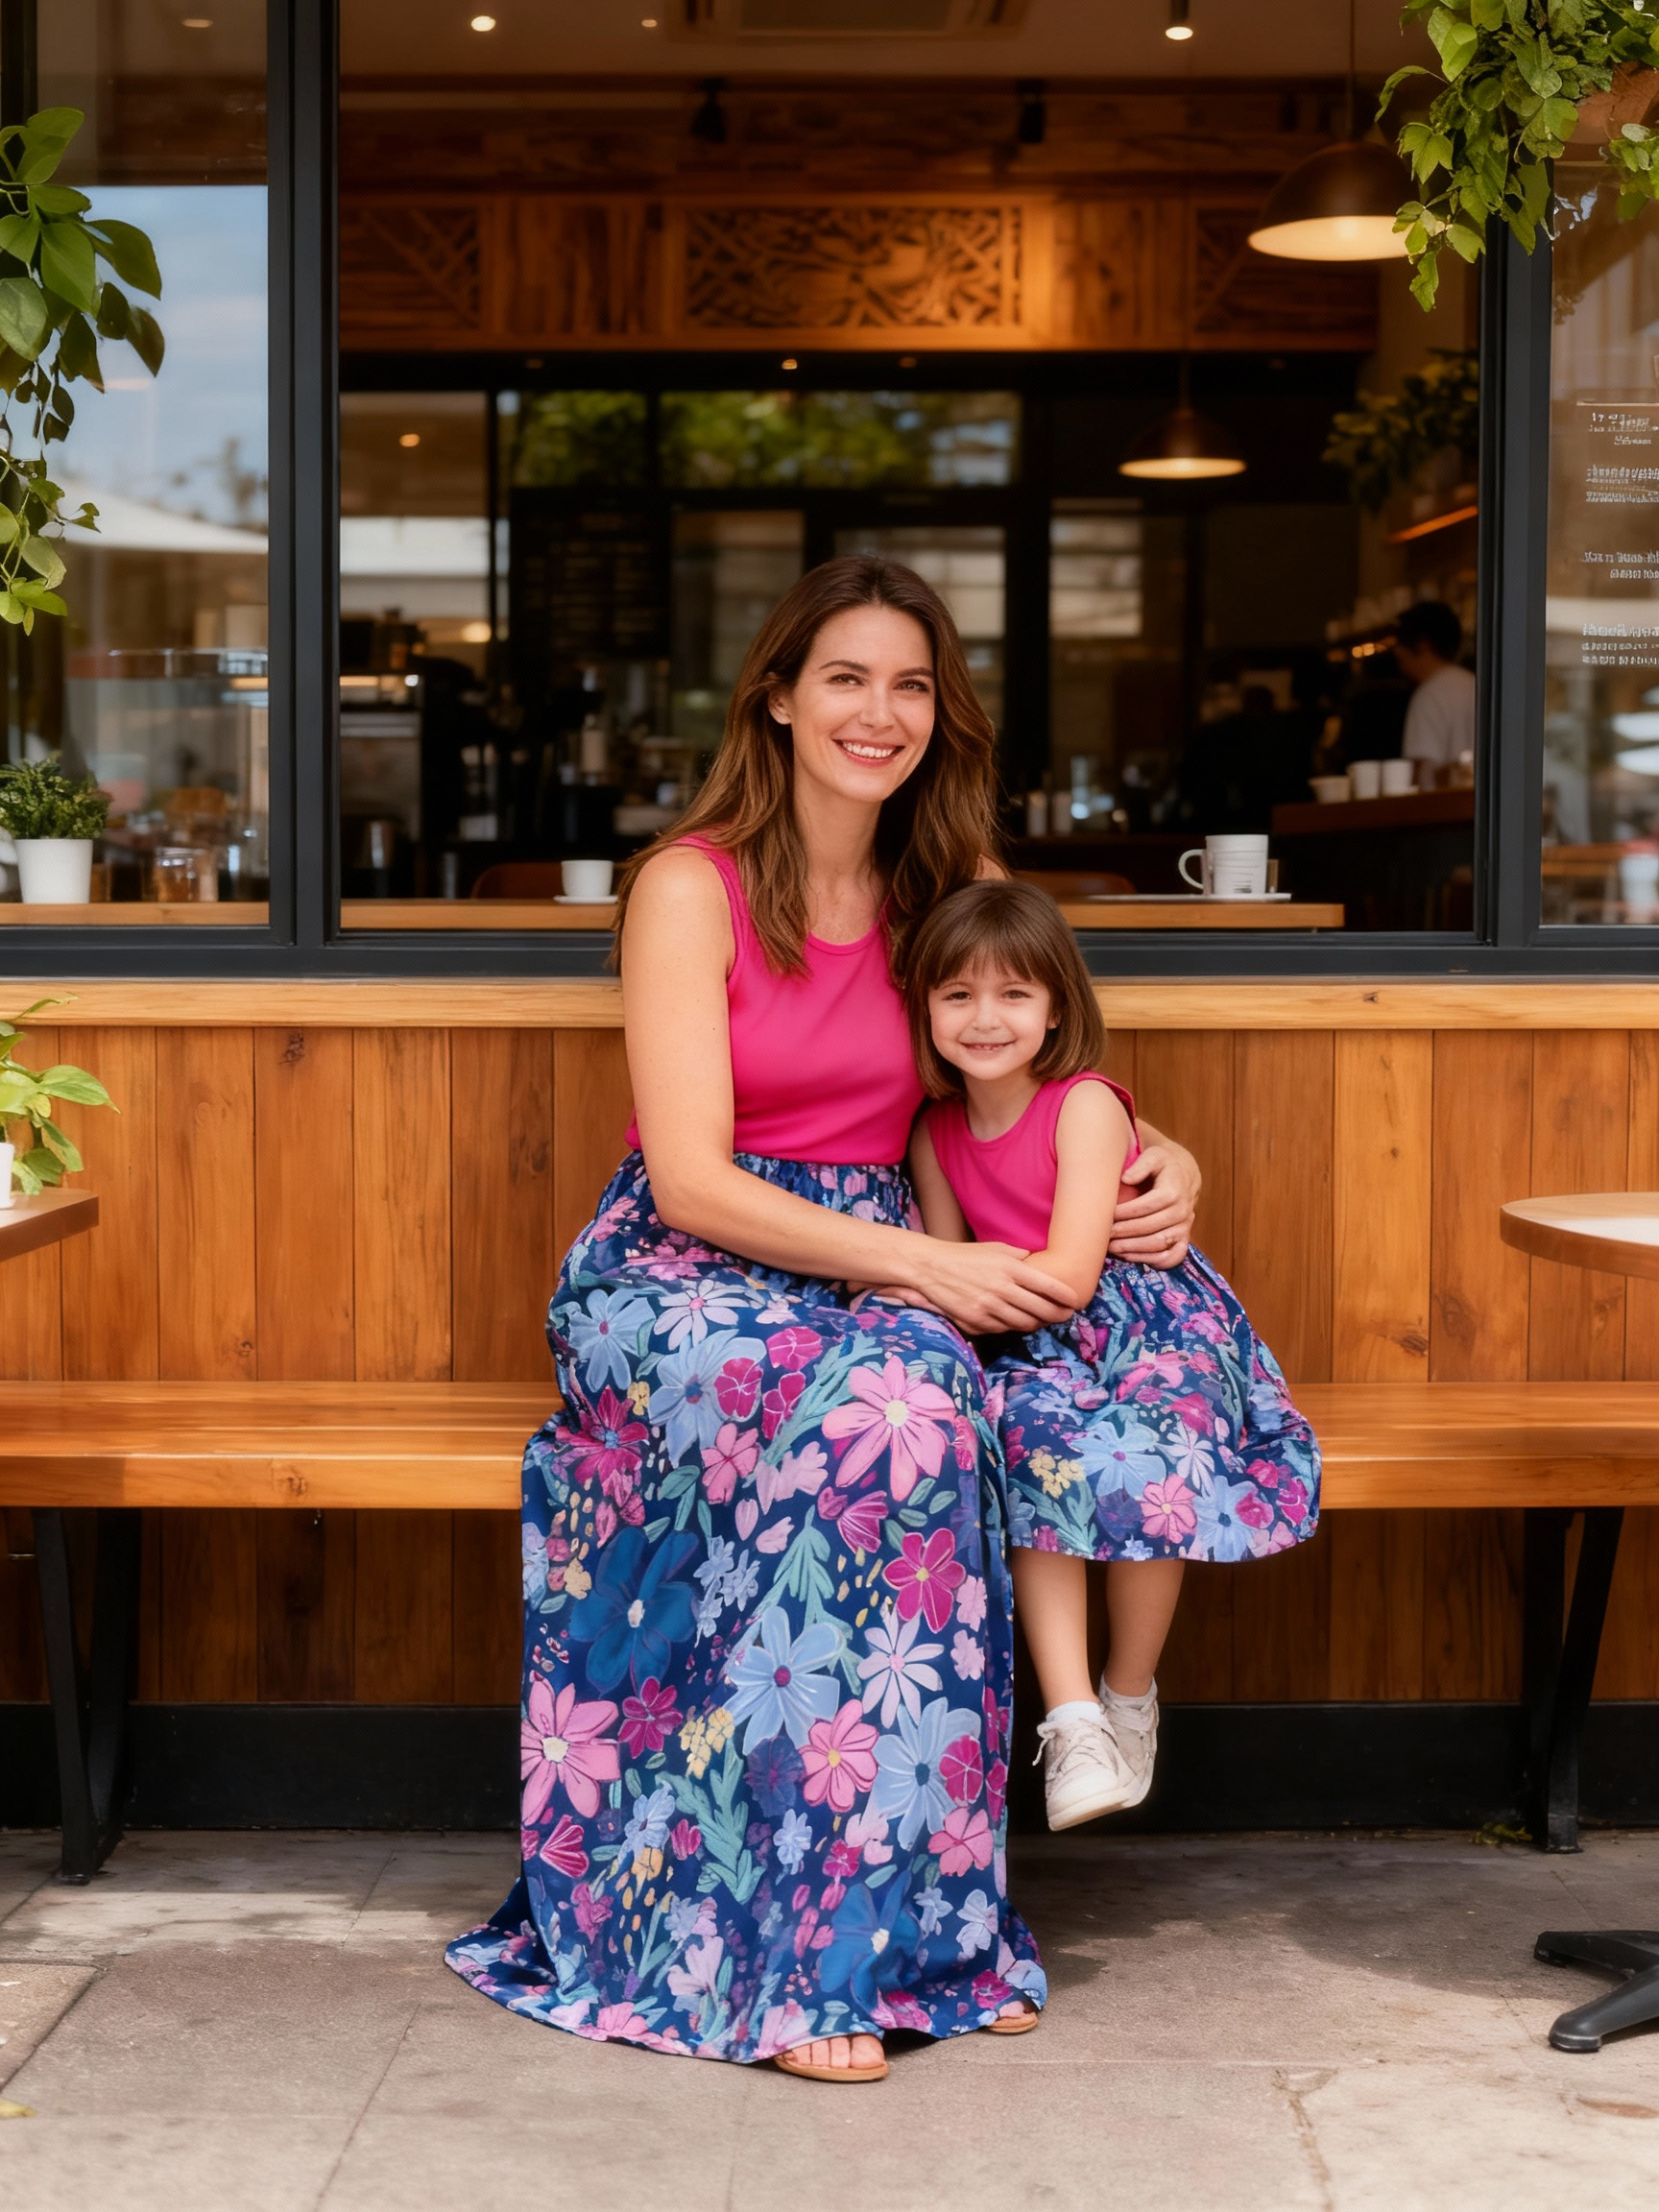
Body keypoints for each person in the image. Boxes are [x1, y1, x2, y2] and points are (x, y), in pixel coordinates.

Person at [446, 557, 1204, 2082]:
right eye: (846, 678)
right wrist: (926, 1268)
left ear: (942, 715)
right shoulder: (690, 884)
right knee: (861, 1411)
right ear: (780, 699)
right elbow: (691, 1178)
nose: (879, 712)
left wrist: (1165, 1156)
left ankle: (911, 1939)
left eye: (911, 684)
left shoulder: (947, 880)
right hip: (683, 1269)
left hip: (886, 1255)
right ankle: (782, 1961)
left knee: (922, 1417)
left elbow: (1031, 1072)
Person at [903, 878, 1321, 1832]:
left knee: (1152, 1451)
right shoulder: (934, 1129)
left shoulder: (1083, 1104)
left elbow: (1068, 1274)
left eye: (1014, 994)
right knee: (1027, 1442)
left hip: (1149, 1322)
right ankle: (1075, 1723)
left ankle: (1129, 1691)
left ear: (1056, 1010)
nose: (984, 1018)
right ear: (925, 1008)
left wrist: (933, 1279)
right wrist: (916, 1281)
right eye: (958, 995)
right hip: (1031, 1331)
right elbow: (948, 1258)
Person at [1394, 601, 1476, 785]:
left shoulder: (1427, 696)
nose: (1396, 651)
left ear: (1423, 644)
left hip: (1448, 803)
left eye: (1401, 641)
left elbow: (1422, 773)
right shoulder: (1475, 684)